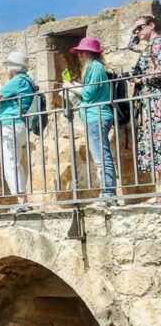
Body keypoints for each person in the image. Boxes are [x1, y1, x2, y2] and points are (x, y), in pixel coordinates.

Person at [0, 51, 35, 212]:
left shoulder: (18, 80)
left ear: (13, 67)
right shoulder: (27, 81)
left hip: (11, 124)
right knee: (16, 163)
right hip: (19, 124)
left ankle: (22, 201)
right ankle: (22, 199)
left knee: (11, 164)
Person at [64, 37, 116, 206]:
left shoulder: (95, 67)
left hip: (97, 116)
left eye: (81, 52)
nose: (79, 55)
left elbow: (89, 93)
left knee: (101, 156)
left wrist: (70, 86)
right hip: (95, 115)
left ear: (88, 52)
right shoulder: (94, 68)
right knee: (100, 155)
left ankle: (108, 194)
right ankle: (107, 193)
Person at [130, 15, 161, 204]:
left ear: (152, 25)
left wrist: (142, 80)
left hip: (157, 102)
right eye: (134, 30)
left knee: (158, 145)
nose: (137, 33)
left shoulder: (158, 44)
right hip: (149, 104)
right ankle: (159, 191)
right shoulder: (147, 48)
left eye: (139, 28)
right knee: (154, 147)